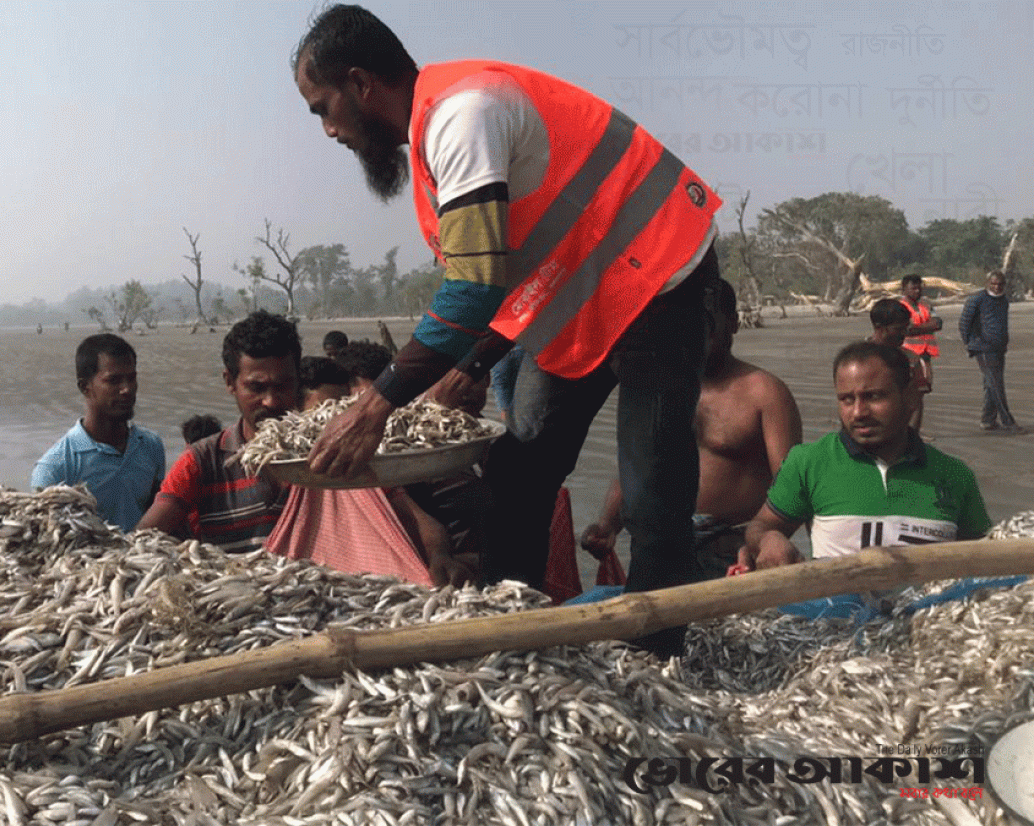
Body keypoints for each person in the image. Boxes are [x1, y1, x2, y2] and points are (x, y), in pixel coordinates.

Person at [293, 6, 722, 656]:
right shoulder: (436, 134)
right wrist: (465, 365)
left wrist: (376, 406)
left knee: (651, 485)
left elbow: (472, 288)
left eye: (323, 108)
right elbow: (509, 274)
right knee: (518, 477)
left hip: (656, 273)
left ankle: (660, 656)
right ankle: (510, 640)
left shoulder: (464, 114)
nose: (327, 130)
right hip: (582, 297)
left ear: (360, 83)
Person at [583, 282, 803, 580]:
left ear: (734, 323)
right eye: (694, 319)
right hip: (661, 539)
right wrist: (608, 525)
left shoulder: (764, 392)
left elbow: (792, 485)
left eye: (712, 320)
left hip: (733, 546)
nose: (702, 330)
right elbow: (636, 464)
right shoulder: (658, 387)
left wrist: (764, 540)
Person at [736, 342, 990, 571]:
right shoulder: (808, 462)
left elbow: (986, 557)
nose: (858, 412)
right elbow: (760, 527)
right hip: (834, 617)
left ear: (911, 398)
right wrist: (769, 539)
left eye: (874, 396)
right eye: (847, 399)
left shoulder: (955, 475)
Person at [136, 311, 301, 552]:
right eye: (256, 388)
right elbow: (143, 542)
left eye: (283, 386)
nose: (271, 401)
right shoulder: (201, 461)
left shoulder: (329, 452)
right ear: (229, 382)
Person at [31, 334, 165, 532]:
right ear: (85, 387)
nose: (127, 389)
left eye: (131, 378)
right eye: (113, 381)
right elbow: (46, 538)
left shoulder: (150, 446)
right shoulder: (56, 468)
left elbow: (159, 514)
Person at [960, 271, 1023, 434]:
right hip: (983, 348)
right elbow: (964, 322)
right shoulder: (977, 299)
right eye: (994, 284)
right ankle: (1008, 422)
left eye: (1000, 284)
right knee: (997, 385)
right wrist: (970, 343)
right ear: (987, 283)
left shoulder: (1003, 300)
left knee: (991, 385)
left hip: (999, 348)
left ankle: (987, 420)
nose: (997, 287)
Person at [868, 298, 930, 433]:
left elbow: (916, 402)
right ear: (879, 328)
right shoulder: (858, 360)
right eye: (898, 329)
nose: (904, 334)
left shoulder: (912, 360)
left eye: (906, 328)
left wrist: (912, 438)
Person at [898, 274, 941, 395]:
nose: (917, 291)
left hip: (926, 354)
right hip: (909, 354)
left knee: (925, 387)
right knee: (910, 389)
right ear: (904, 289)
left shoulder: (926, 304)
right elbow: (907, 329)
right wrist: (929, 326)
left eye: (919, 288)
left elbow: (938, 323)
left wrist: (917, 328)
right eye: (914, 288)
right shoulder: (900, 307)